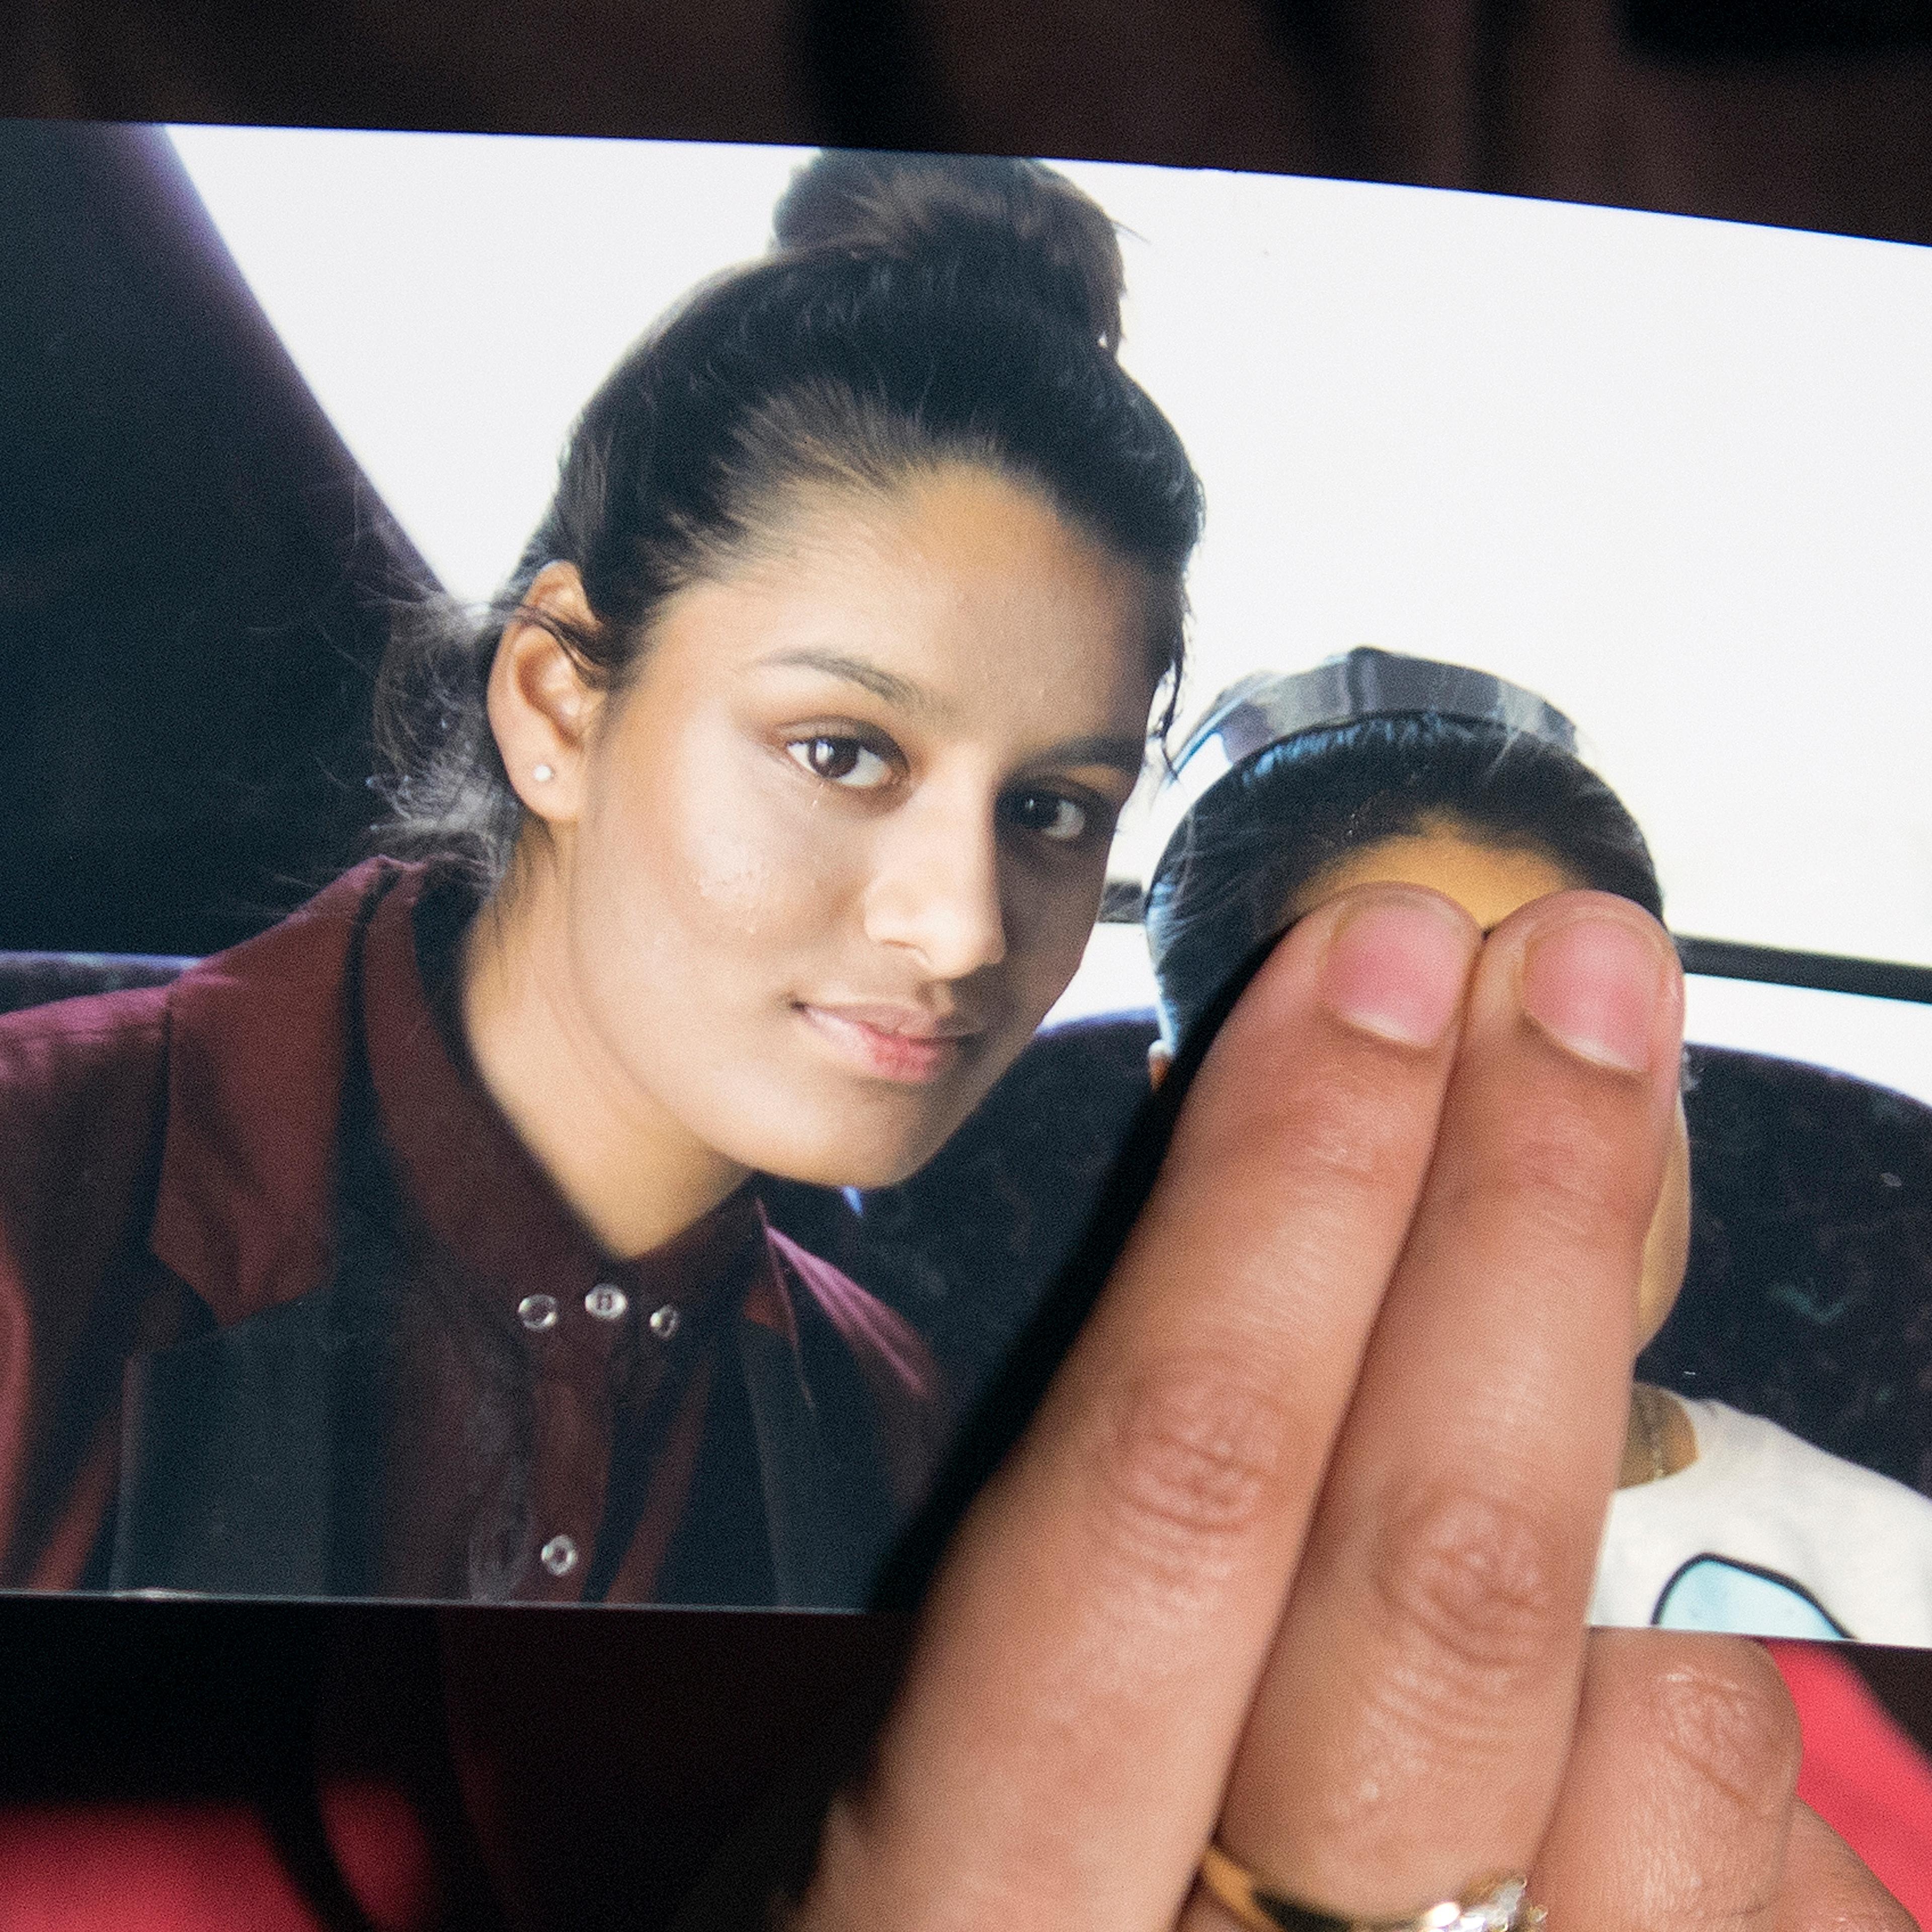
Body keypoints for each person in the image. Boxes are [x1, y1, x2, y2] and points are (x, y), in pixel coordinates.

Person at [0, 148, 1203, 1605]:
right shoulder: (36, 1201)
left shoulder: (889, 1444)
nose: (960, 927)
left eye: (1053, 810)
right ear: (559, 705)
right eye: (840, 754)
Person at [1143, 646, 1932, 1646]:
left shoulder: (1898, 1574)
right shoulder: (1058, 1563)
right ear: (1179, 1118)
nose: (1515, 1160)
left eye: (1585, 1052)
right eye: (1389, 1057)